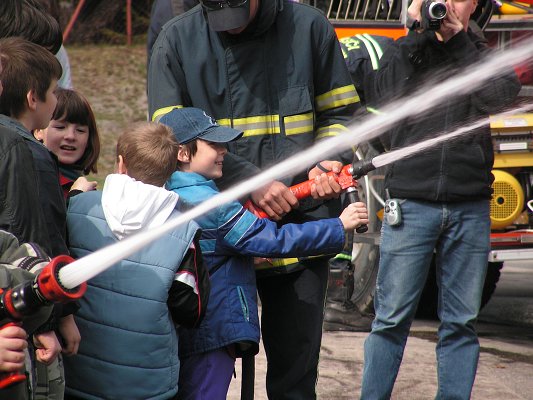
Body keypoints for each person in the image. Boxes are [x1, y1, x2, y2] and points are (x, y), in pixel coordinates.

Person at [147, 1, 362, 397]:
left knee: (295, 376)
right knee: (206, 370)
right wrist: (252, 182)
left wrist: (325, 163)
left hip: (301, 225)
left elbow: (342, 116)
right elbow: (169, 139)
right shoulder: (176, 40)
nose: (229, 28)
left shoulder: (308, 28)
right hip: (220, 242)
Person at [359, 0, 521, 398]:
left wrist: (460, 42)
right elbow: (384, 97)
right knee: (391, 320)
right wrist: (416, 34)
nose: (446, 3)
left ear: (476, 7)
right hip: (411, 205)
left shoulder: (480, 54)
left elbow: (502, 97)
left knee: (461, 322)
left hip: (470, 207)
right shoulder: (408, 49)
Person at [160, 107, 368, 399]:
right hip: (214, 329)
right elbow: (272, 240)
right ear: (183, 153)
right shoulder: (213, 205)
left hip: (186, 328)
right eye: (214, 145)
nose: (224, 150)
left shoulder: (167, 194)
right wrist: (338, 226)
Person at [63, 121, 204, 400]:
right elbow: (190, 308)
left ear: (120, 164)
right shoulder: (184, 229)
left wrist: (75, 196)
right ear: (170, 170)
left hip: (78, 371)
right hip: (148, 382)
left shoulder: (77, 207)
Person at [0, 36, 82, 400]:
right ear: (33, 98)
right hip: (21, 316)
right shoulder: (26, 152)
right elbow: (34, 235)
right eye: (53, 91)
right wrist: (50, 319)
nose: (57, 98)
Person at [35, 88, 100, 199]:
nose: (70, 136)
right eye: (60, 127)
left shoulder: (91, 195)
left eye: (80, 130)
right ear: (38, 130)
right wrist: (76, 196)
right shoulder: (29, 179)